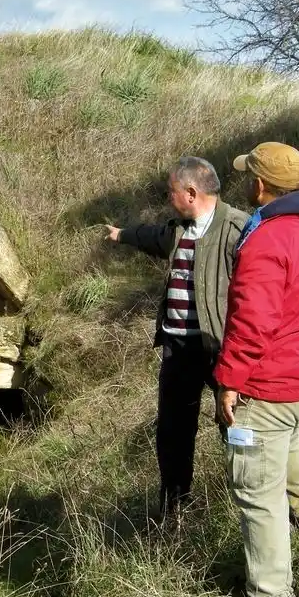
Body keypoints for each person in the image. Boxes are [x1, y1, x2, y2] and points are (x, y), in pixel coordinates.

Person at [213, 141, 299, 597]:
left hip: (268, 387)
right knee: (287, 436)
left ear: (259, 184)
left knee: (256, 491)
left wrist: (229, 381)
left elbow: (252, 322)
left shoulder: (268, 240)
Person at [104, 155, 248, 521]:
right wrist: (121, 235)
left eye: (171, 192)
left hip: (219, 351)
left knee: (234, 432)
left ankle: (247, 509)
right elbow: (153, 237)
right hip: (178, 350)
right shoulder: (179, 229)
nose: (167, 198)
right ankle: (175, 511)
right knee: (173, 434)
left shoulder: (239, 230)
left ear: (190, 192)